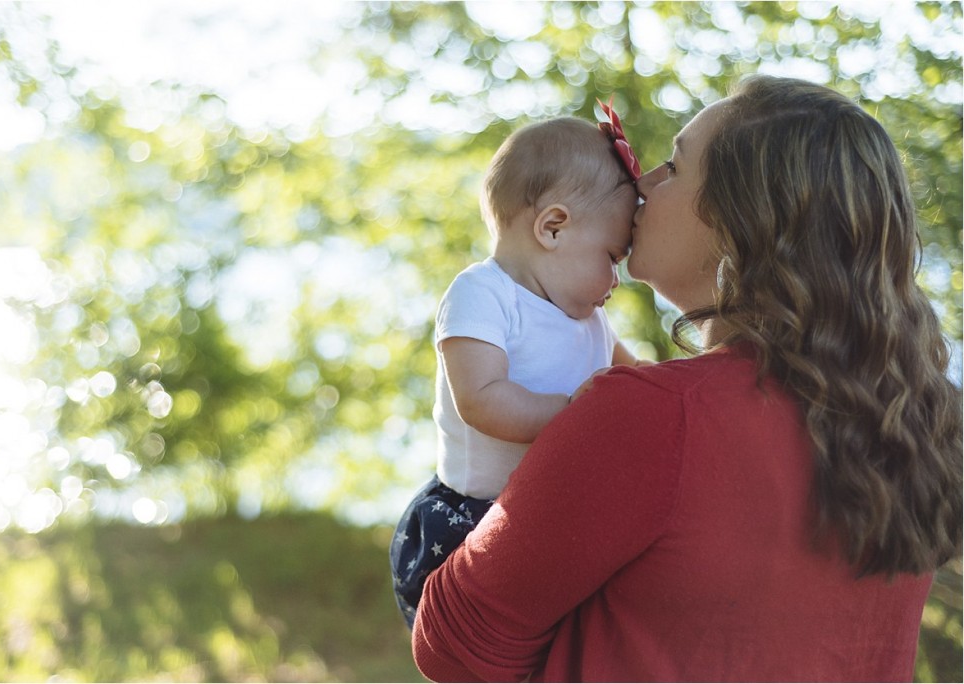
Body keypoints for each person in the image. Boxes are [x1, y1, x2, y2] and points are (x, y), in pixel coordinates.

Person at [412, 74, 963, 682]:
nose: (641, 184)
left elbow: (454, 644)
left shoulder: (652, 416)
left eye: (672, 167)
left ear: (738, 221)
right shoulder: (918, 425)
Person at [390, 109, 645, 629]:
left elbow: (639, 382)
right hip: (475, 516)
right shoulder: (483, 293)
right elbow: (482, 398)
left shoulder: (591, 320)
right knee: (484, 639)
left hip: (557, 508)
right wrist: (578, 412)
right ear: (553, 228)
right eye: (612, 256)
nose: (617, 278)